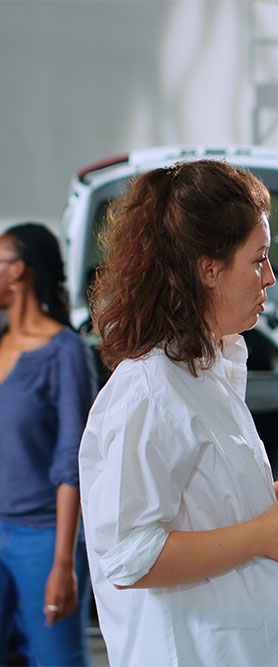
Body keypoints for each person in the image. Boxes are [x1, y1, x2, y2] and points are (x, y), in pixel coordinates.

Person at [78, 159, 278, 666]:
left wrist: (274, 494)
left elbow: (199, 503)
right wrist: (263, 535)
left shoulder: (208, 369)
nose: (270, 276)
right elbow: (132, 556)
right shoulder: (150, 391)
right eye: (259, 259)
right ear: (209, 270)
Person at [0, 222, 96, 666]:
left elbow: (72, 461)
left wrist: (63, 563)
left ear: (17, 270)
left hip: (42, 538)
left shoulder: (66, 351)